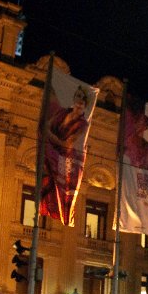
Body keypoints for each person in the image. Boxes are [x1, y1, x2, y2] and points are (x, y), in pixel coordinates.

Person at [40, 87, 90, 222]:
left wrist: (50, 137)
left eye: (84, 98)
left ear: (86, 104)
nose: (80, 100)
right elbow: (46, 126)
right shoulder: (62, 112)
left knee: (54, 181)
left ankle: (54, 212)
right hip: (52, 148)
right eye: (78, 96)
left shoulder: (83, 124)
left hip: (63, 156)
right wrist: (51, 137)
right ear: (73, 98)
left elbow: (67, 144)